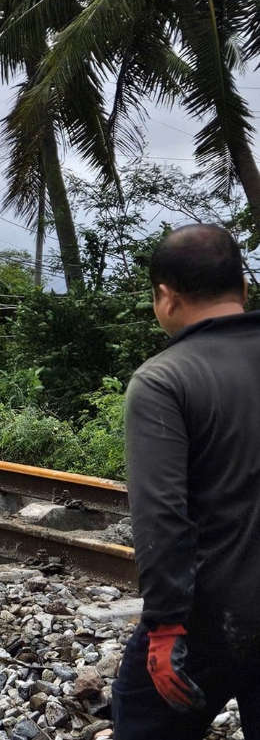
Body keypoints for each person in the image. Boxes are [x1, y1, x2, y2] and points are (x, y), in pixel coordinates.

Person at [112, 223, 260, 738]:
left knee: (141, 716)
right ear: (244, 291)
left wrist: (166, 624)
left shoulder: (164, 380)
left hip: (210, 617)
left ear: (165, 298)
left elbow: (160, 515)